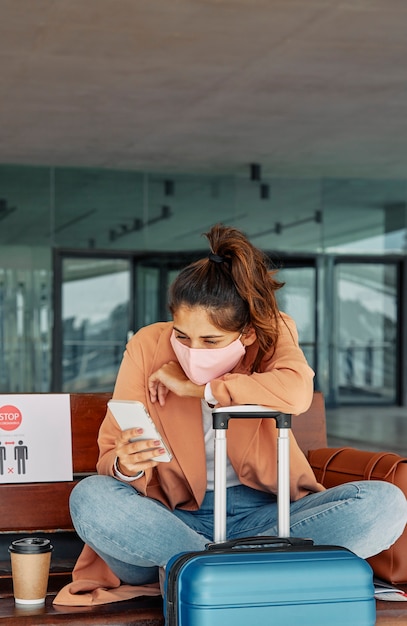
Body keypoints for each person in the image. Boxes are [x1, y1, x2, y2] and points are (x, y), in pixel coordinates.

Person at [54, 224, 407, 606]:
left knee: (385, 503)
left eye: (210, 341)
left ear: (248, 334)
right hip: (170, 521)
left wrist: (200, 390)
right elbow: (111, 454)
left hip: (271, 520)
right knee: (91, 497)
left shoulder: (271, 332)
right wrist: (127, 465)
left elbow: (296, 392)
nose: (192, 350)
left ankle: (203, 572)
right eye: (182, 336)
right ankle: (234, 571)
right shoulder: (147, 345)